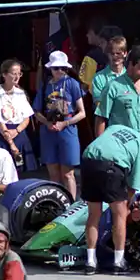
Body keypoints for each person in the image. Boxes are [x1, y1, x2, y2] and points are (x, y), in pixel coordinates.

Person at [81, 124, 140, 275]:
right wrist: (128, 206)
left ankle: (90, 261)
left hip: (88, 161)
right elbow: (133, 187)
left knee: (93, 215)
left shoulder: (117, 127)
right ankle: (119, 262)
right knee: (119, 215)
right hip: (111, 167)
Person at [33, 50, 86, 199]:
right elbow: (36, 111)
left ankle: (71, 204)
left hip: (67, 130)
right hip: (49, 131)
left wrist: (65, 123)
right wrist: (47, 123)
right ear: (50, 69)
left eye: (64, 68)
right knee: (53, 174)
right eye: (56, 68)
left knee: (68, 173)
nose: (60, 71)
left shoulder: (72, 84)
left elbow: (82, 112)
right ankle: (56, 202)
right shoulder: (44, 86)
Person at [0, 59, 37, 172]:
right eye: (13, 74)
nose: (17, 77)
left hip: (19, 134)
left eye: (19, 74)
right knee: (3, 171)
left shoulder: (21, 94)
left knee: (19, 170)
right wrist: (11, 143)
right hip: (3, 135)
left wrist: (17, 131)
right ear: (4, 74)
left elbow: (26, 118)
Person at [92, 35, 128, 107]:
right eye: (112, 53)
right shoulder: (98, 78)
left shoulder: (131, 76)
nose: (115, 56)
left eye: (118, 53)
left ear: (125, 53)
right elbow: (99, 105)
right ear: (108, 54)